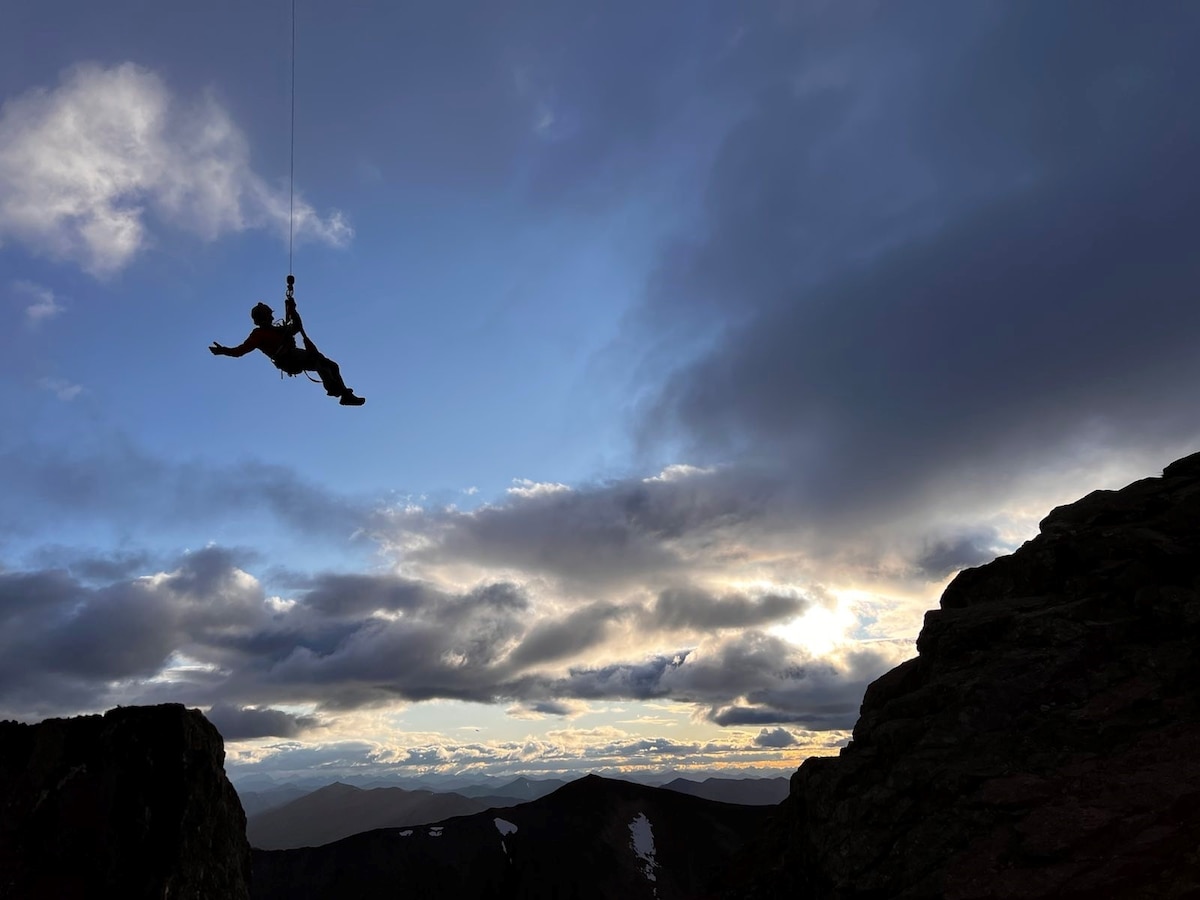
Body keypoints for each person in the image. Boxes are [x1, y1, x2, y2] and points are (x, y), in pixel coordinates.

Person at [209, 297, 365, 405]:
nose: (271, 317)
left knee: (332, 366)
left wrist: (292, 309)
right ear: (264, 317)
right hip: (288, 359)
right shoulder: (259, 335)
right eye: (269, 315)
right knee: (318, 361)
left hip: (294, 357)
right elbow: (239, 351)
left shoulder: (278, 330)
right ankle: (333, 388)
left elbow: (296, 327)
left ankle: (344, 395)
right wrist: (223, 350)